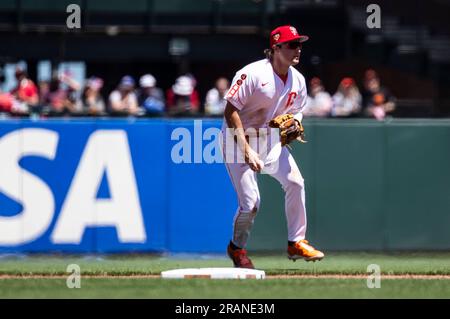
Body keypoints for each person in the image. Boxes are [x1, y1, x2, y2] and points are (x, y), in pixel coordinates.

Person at [222, 25, 324, 269]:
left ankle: (296, 241)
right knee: (251, 203)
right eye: (291, 44)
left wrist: (295, 122)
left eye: (299, 44)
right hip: (237, 140)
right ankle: (237, 249)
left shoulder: (297, 80)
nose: (298, 49)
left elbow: (297, 110)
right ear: (276, 48)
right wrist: (247, 151)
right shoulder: (253, 74)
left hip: (269, 140)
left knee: (296, 182)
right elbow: (230, 110)